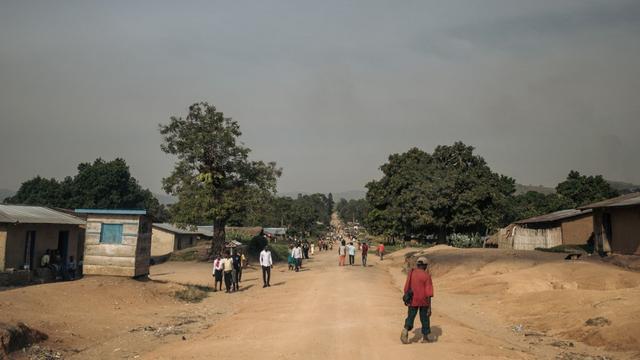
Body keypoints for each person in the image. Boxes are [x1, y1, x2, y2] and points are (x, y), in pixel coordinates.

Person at [401, 257, 434, 344]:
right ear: (425, 265)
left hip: (412, 300)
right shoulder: (427, 276)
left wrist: (406, 297)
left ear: (418, 265)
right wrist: (429, 307)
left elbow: (406, 286)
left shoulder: (411, 273)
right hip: (423, 301)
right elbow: (429, 292)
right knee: (425, 318)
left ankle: (405, 331)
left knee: (411, 316)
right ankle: (425, 338)